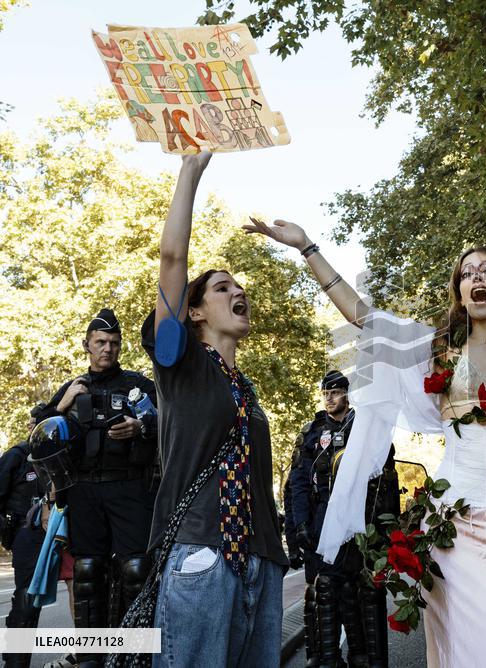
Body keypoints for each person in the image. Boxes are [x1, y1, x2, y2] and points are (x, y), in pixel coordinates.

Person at [246, 217, 486, 668]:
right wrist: (306, 247)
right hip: (451, 534)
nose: (476, 277)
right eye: (467, 273)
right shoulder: (438, 350)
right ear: (459, 293)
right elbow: (362, 318)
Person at [133, 154, 287, 667]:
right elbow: (172, 259)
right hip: (201, 555)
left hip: (260, 564)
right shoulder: (182, 364)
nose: (238, 291)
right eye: (223, 287)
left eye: (239, 286)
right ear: (194, 311)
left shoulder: (245, 389)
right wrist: (191, 171)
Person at [42, 308, 157, 668]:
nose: (107, 349)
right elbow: (41, 443)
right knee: (88, 571)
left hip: (129, 488)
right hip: (84, 492)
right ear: (86, 345)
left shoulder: (139, 386)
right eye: (100, 342)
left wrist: (141, 428)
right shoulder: (72, 389)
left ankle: (137, 653)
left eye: (114, 343)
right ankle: (91, 657)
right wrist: (59, 407)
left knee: (136, 569)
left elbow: (168, 424)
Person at [288, 369, 399, 668]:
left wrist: (388, 528)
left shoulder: (365, 426)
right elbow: (297, 482)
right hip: (323, 519)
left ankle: (367, 658)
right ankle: (327, 660)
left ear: (348, 395)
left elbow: (386, 476)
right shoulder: (312, 432)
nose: (329, 398)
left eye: (335, 392)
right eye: (325, 393)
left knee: (365, 589)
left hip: (363, 518)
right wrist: (298, 526)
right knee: (325, 589)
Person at [1, 406, 48, 668]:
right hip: (26, 534)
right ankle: (16, 662)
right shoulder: (16, 456)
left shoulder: (61, 454)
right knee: (27, 600)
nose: (32, 428)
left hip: (61, 533)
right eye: (31, 424)